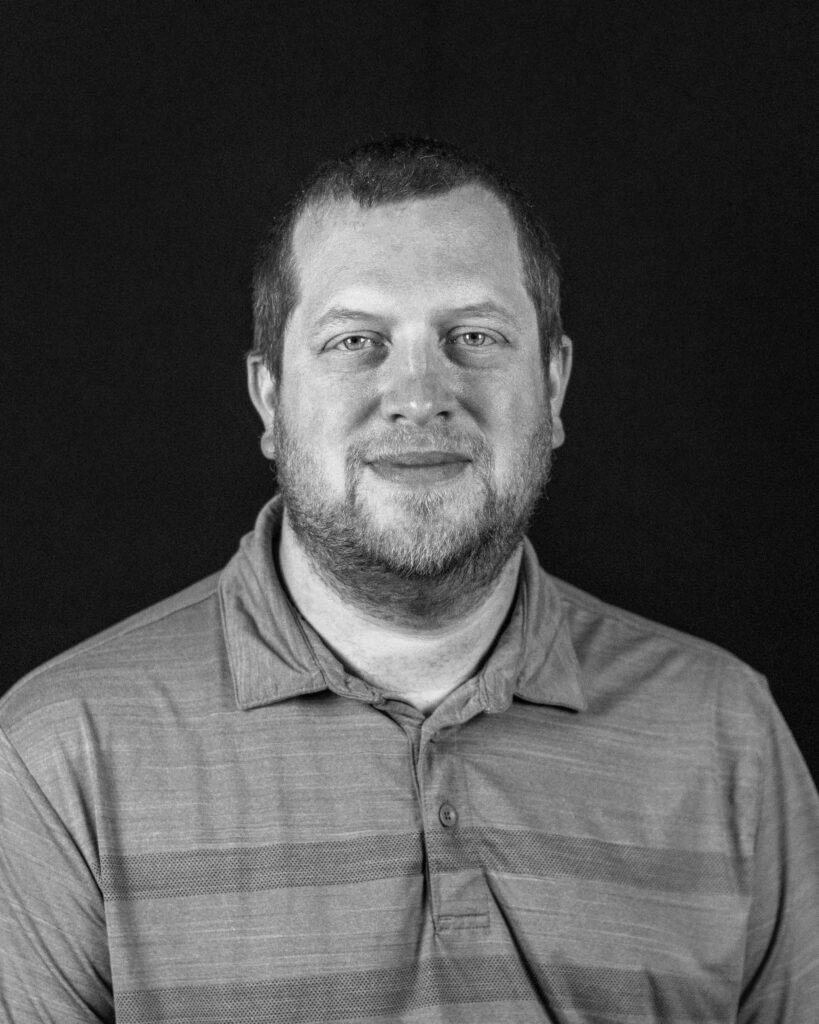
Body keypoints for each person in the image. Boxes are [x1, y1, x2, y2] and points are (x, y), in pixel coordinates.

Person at [1, 137, 817, 1024]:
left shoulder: (725, 734)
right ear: (270, 397)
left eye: (475, 337)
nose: (420, 394)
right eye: (356, 341)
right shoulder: (54, 757)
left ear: (552, 384)